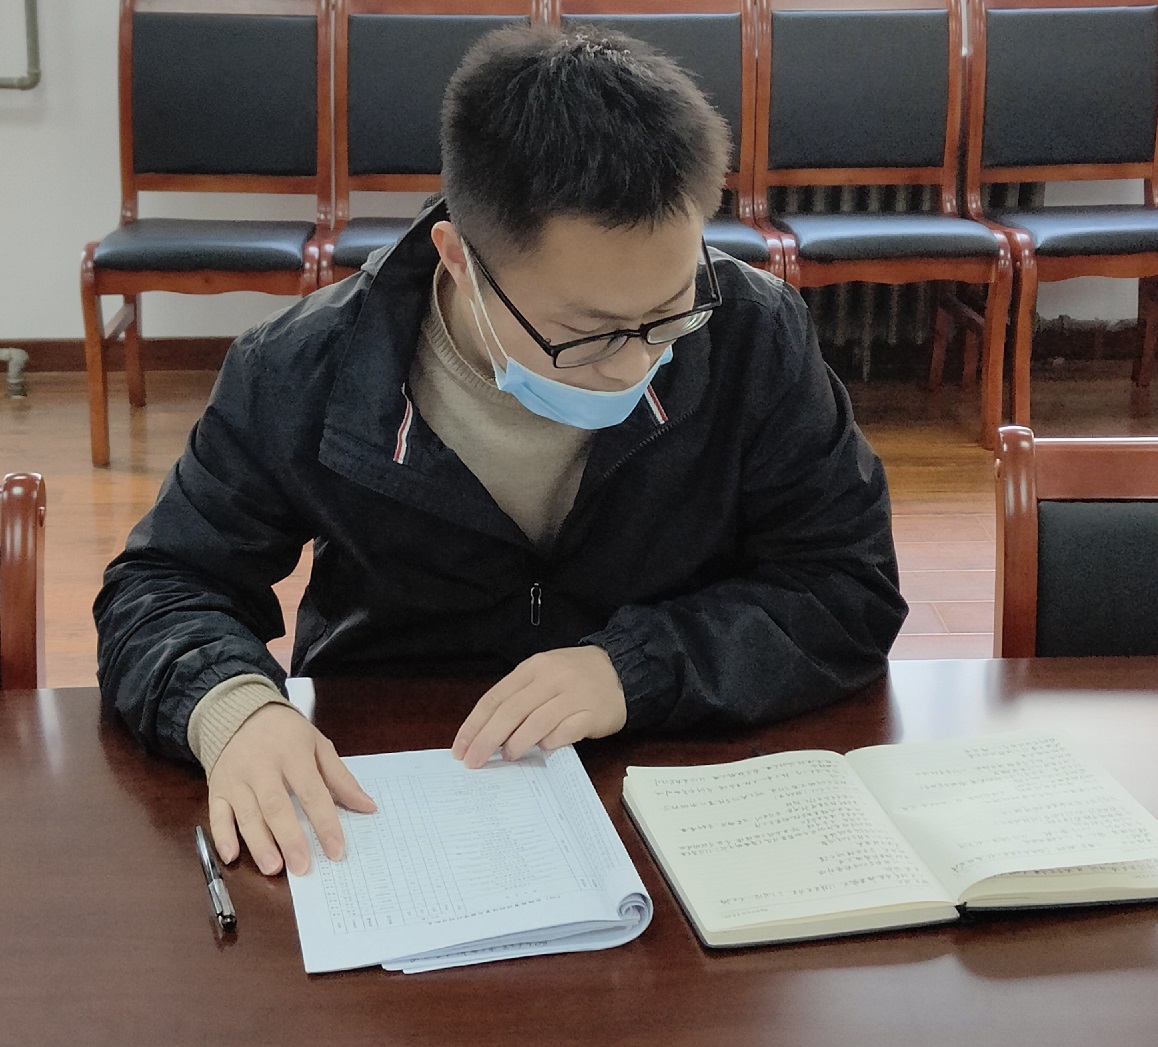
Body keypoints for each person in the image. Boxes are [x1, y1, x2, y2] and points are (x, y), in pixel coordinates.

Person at [95, 24, 907, 880]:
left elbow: (845, 585)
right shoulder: (305, 368)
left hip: (674, 776)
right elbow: (163, 584)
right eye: (589, 334)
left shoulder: (751, 334)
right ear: (459, 260)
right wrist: (235, 710)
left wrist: (634, 668)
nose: (637, 363)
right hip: (395, 787)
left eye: (669, 312)